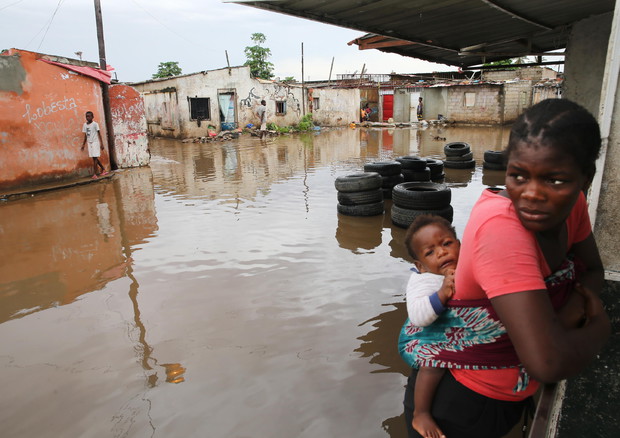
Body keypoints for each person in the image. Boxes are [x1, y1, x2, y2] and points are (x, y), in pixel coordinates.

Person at [401, 98, 611, 438]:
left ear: (585, 178)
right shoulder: (500, 230)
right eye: (518, 175)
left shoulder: (575, 205)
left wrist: (560, 319)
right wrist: (600, 328)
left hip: (509, 393)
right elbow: (548, 361)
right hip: (460, 402)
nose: (531, 194)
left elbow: (594, 270)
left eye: (555, 180)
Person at [404, 215, 460, 438]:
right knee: (433, 363)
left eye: (447, 243)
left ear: (460, 244)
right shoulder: (423, 280)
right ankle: (421, 413)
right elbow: (418, 315)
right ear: (420, 265)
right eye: (430, 252)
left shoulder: (466, 264)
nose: (442, 252)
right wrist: (442, 294)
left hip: (453, 327)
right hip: (428, 335)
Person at [81, 111, 107, 179]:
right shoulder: (85, 125)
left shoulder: (95, 124)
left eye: (89, 116)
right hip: (89, 143)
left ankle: (95, 174)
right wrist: (83, 144)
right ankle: (103, 169)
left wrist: (102, 144)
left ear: (92, 117)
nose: (87, 117)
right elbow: (85, 135)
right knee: (94, 158)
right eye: (86, 116)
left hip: (95, 142)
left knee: (95, 158)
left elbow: (99, 134)